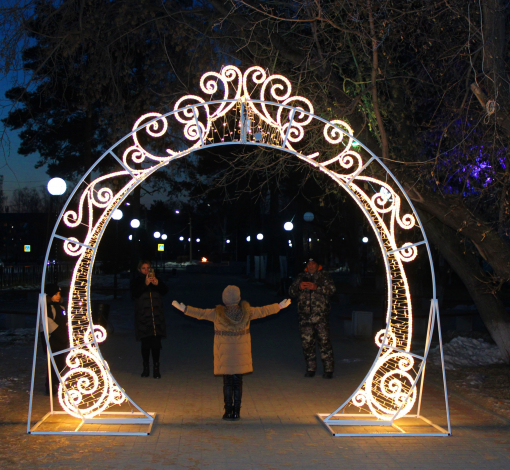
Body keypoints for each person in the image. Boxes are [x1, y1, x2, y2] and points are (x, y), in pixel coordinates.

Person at [172, 286, 291, 421]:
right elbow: (264, 311)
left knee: (227, 382)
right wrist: (279, 306)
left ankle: (228, 411)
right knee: (238, 382)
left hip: (225, 353)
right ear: (239, 298)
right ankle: (237, 412)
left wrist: (184, 309)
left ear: (224, 299)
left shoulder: (217, 313)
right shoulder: (248, 312)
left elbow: (201, 314)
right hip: (241, 353)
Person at [289, 258, 336, 379]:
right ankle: (310, 369)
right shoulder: (301, 276)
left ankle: (328, 369)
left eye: (313, 263)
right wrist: (299, 287)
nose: (310, 266)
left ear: (317, 265)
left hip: (320, 317)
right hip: (305, 317)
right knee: (307, 344)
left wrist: (317, 287)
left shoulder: (324, 276)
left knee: (324, 343)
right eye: (308, 264)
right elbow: (291, 292)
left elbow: (332, 290)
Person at [131, 260, 169, 379]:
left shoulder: (156, 280)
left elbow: (165, 291)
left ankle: (156, 368)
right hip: (143, 317)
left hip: (156, 317)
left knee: (156, 344)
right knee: (146, 344)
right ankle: (146, 368)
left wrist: (158, 283)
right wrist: (145, 284)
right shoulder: (137, 281)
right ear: (139, 270)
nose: (146, 270)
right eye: (143, 268)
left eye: (148, 268)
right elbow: (135, 294)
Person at [44, 284, 69, 395]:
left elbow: (65, 321)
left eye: (59, 293)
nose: (58, 296)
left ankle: (58, 383)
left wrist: (67, 331)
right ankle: (50, 385)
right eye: (55, 294)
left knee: (60, 364)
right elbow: (49, 324)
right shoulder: (48, 308)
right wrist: (61, 334)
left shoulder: (60, 307)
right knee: (53, 364)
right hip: (53, 342)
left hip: (62, 341)